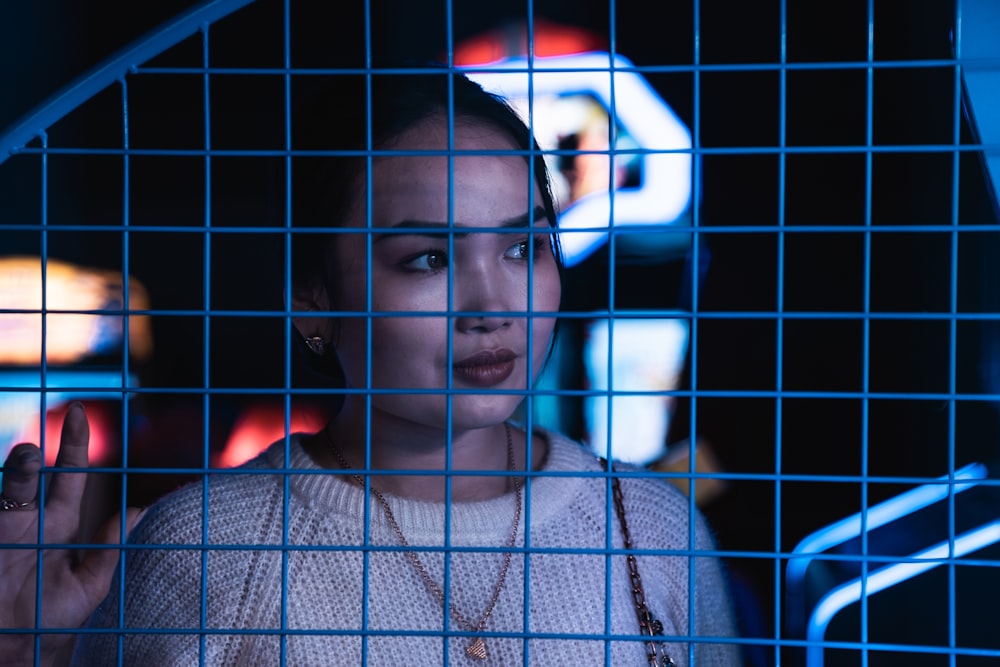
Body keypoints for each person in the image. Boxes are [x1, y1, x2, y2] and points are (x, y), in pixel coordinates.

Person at [0, 70, 741, 666]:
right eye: (427, 258)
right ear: (310, 298)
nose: (492, 303)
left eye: (523, 248)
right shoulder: (206, 554)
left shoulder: (651, 528)